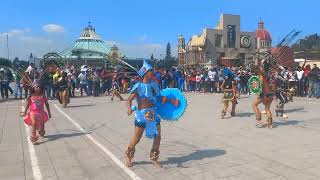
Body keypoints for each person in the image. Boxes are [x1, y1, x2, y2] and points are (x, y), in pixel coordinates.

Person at [125, 61, 180, 168]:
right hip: (141, 115)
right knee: (137, 138)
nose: (153, 72)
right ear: (145, 73)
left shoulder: (154, 85)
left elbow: (159, 98)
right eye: (151, 71)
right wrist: (128, 109)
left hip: (153, 114)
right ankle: (128, 155)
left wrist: (171, 101)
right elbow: (128, 100)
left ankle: (154, 158)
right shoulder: (138, 86)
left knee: (158, 137)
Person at [20, 80, 51, 144]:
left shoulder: (43, 96)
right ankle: (33, 137)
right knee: (33, 123)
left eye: (39, 87)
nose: (38, 88)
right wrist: (25, 112)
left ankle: (41, 131)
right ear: (33, 88)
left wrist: (49, 112)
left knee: (42, 124)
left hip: (41, 112)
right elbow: (27, 104)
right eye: (36, 87)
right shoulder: (30, 96)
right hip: (33, 112)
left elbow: (47, 104)